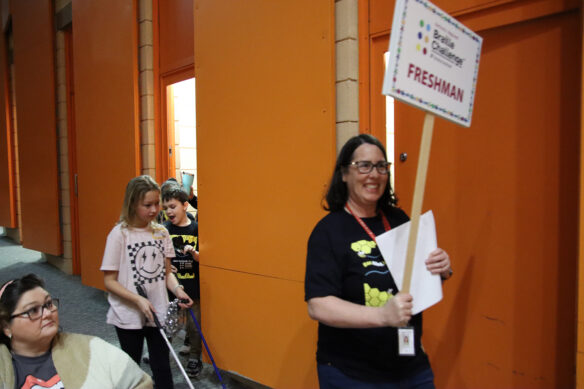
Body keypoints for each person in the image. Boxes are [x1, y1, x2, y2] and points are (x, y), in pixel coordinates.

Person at [305, 134, 452, 388]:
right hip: (351, 374)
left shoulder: (399, 220)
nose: (374, 174)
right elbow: (318, 306)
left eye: (381, 166)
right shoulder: (328, 231)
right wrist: (382, 316)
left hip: (411, 367)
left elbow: (416, 284)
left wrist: (440, 269)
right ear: (344, 174)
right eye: (364, 166)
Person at [101, 175, 193, 389]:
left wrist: (178, 289)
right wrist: (137, 300)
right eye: (147, 205)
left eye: (156, 204)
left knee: (162, 366)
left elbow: (167, 273)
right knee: (131, 368)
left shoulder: (162, 233)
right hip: (128, 313)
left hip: (157, 312)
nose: (154, 210)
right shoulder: (119, 235)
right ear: (133, 203)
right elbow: (109, 281)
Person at [0, 274, 152, 389]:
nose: (47, 313)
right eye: (33, 310)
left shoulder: (92, 348)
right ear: (6, 326)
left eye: (48, 304)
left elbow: (140, 383)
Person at [161, 184, 203, 378]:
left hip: (193, 285)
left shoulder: (196, 228)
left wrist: (196, 255)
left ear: (185, 205)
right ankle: (161, 354)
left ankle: (195, 356)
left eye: (173, 206)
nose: (169, 211)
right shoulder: (164, 230)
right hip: (172, 287)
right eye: (166, 207)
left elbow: (206, 256)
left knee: (194, 326)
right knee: (168, 321)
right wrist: (168, 267)